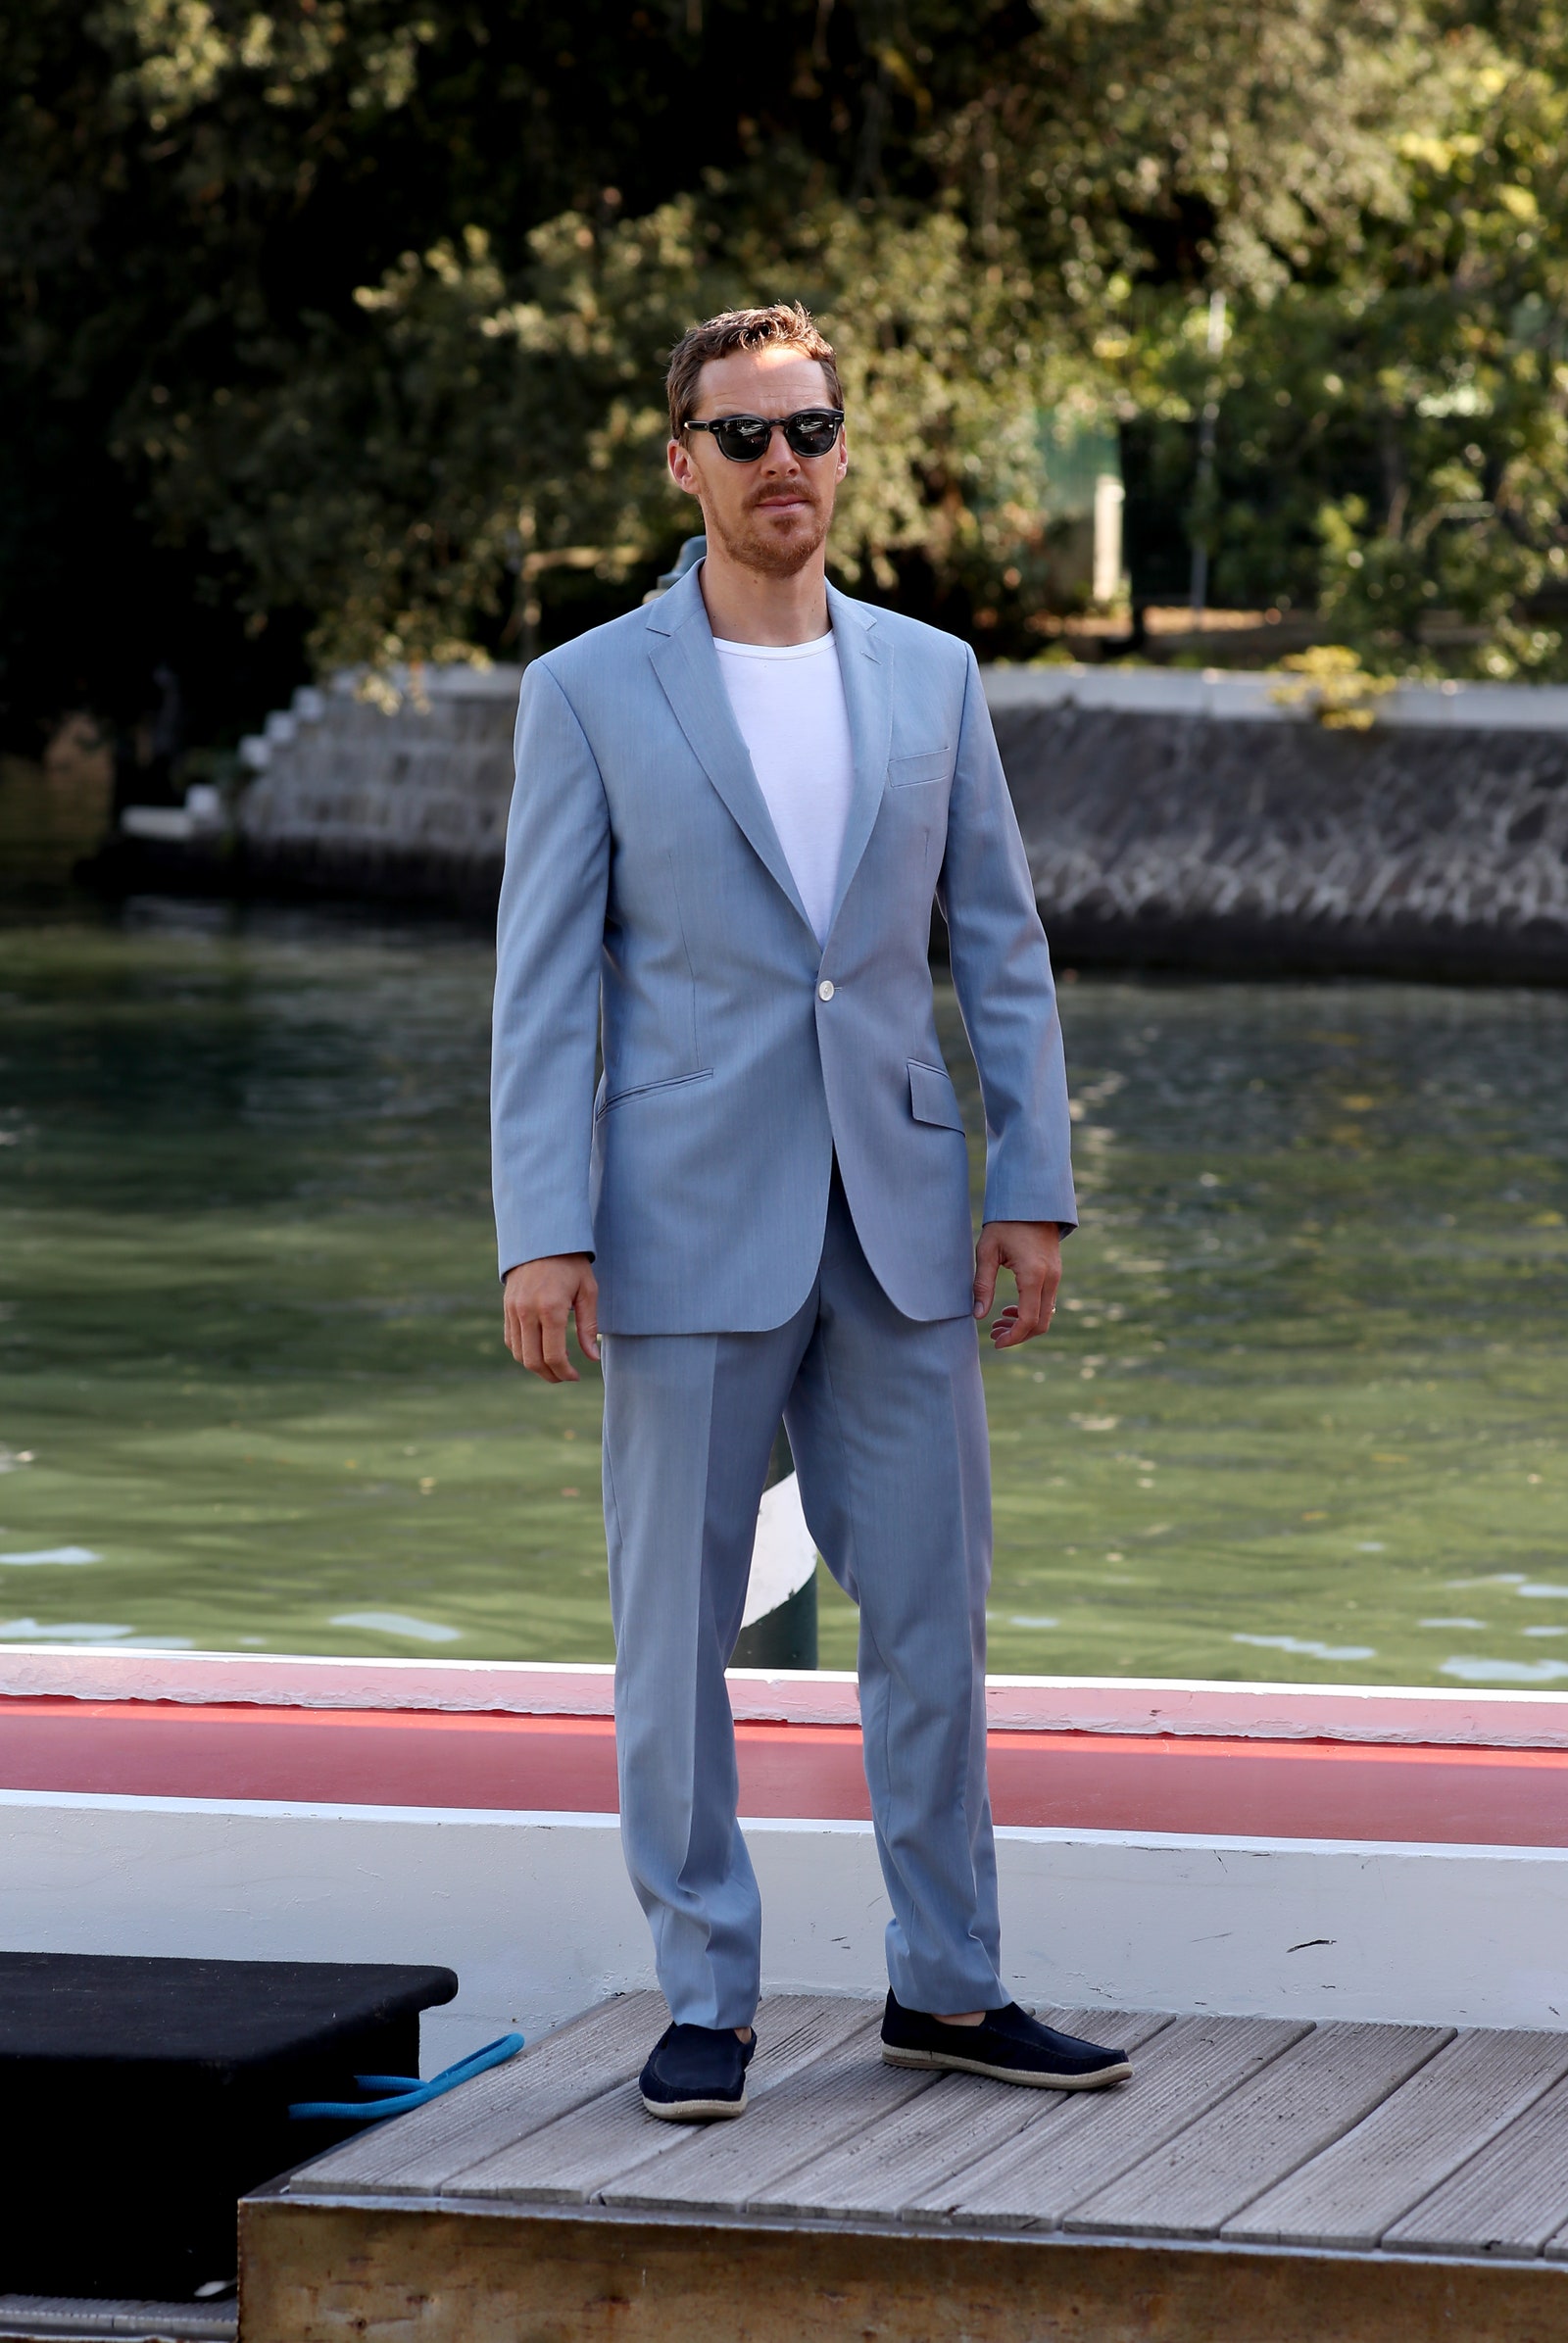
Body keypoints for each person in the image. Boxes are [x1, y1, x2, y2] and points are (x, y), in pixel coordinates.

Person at [492, 302, 1130, 2122]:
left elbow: (997, 947)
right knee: (673, 1630)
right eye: (747, 434)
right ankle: (709, 1994)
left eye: (814, 429)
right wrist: (545, 1225)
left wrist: (1035, 1184)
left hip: (911, 1211)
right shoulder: (589, 691)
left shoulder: (933, 674)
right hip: (679, 1215)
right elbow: (545, 988)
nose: (787, 463)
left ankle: (948, 1985)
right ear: (682, 460)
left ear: (847, 452)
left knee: (931, 1614)